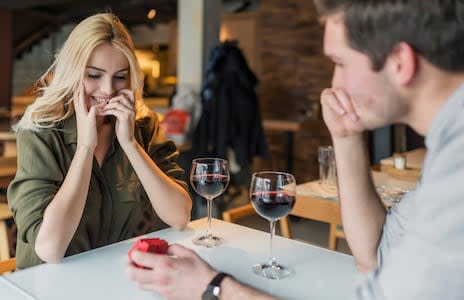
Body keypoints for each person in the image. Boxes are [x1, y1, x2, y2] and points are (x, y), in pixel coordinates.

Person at [126, 0, 464, 299]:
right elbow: (375, 254)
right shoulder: (448, 149)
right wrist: (345, 138)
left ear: (400, 63)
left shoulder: (456, 181)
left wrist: (212, 287)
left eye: (340, 63)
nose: (335, 85)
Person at [7, 13, 192, 269]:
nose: (107, 90)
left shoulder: (142, 125)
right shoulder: (40, 131)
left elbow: (179, 216)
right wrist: (85, 147)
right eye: (94, 75)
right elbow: (50, 249)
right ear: (73, 73)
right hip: (45, 283)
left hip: (109, 278)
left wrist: (131, 145)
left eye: (120, 76)